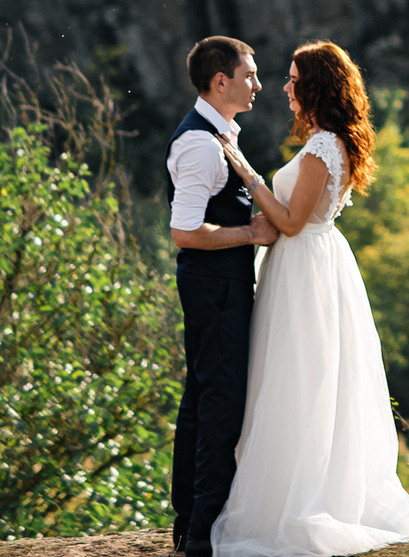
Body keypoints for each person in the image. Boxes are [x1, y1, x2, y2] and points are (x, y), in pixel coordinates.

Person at [211, 40, 409, 557]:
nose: (286, 87)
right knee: (298, 378)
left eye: (294, 79)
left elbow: (292, 222)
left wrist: (249, 176)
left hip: (306, 266)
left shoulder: (322, 147)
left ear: (316, 85)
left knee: (297, 378)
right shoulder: (327, 140)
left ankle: (295, 502)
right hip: (310, 264)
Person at [168, 36, 281, 557]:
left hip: (220, 283)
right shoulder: (198, 144)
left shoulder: (220, 136)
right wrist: (251, 234)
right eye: (250, 75)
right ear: (222, 81)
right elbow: (185, 232)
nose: (257, 84)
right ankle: (203, 533)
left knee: (204, 397)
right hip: (213, 285)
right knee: (220, 403)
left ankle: (191, 522)